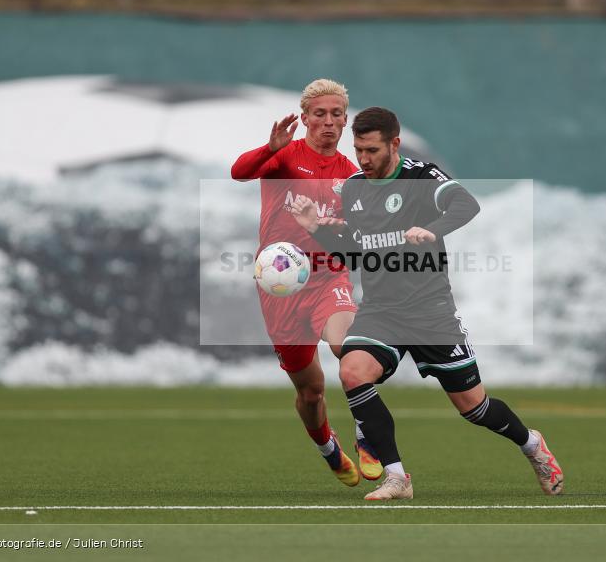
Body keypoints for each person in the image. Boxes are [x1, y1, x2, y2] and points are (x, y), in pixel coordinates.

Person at [291, 106, 563, 500]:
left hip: (430, 312)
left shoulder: (422, 176)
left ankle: (532, 445)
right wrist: (316, 228)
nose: (363, 159)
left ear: (394, 144)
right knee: (352, 371)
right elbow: (357, 250)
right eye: (359, 150)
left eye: (371, 150)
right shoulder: (353, 188)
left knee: (475, 408)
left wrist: (431, 230)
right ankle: (397, 478)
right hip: (381, 311)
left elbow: (466, 204)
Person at [231, 79, 382, 487]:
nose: (328, 122)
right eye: (320, 114)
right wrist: (270, 149)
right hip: (281, 287)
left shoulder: (352, 175)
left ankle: (370, 434)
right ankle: (329, 449)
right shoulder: (284, 157)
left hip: (327, 277)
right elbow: (238, 172)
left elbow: (361, 234)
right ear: (305, 118)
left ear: (345, 121)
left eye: (336, 115)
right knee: (311, 392)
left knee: (346, 347)